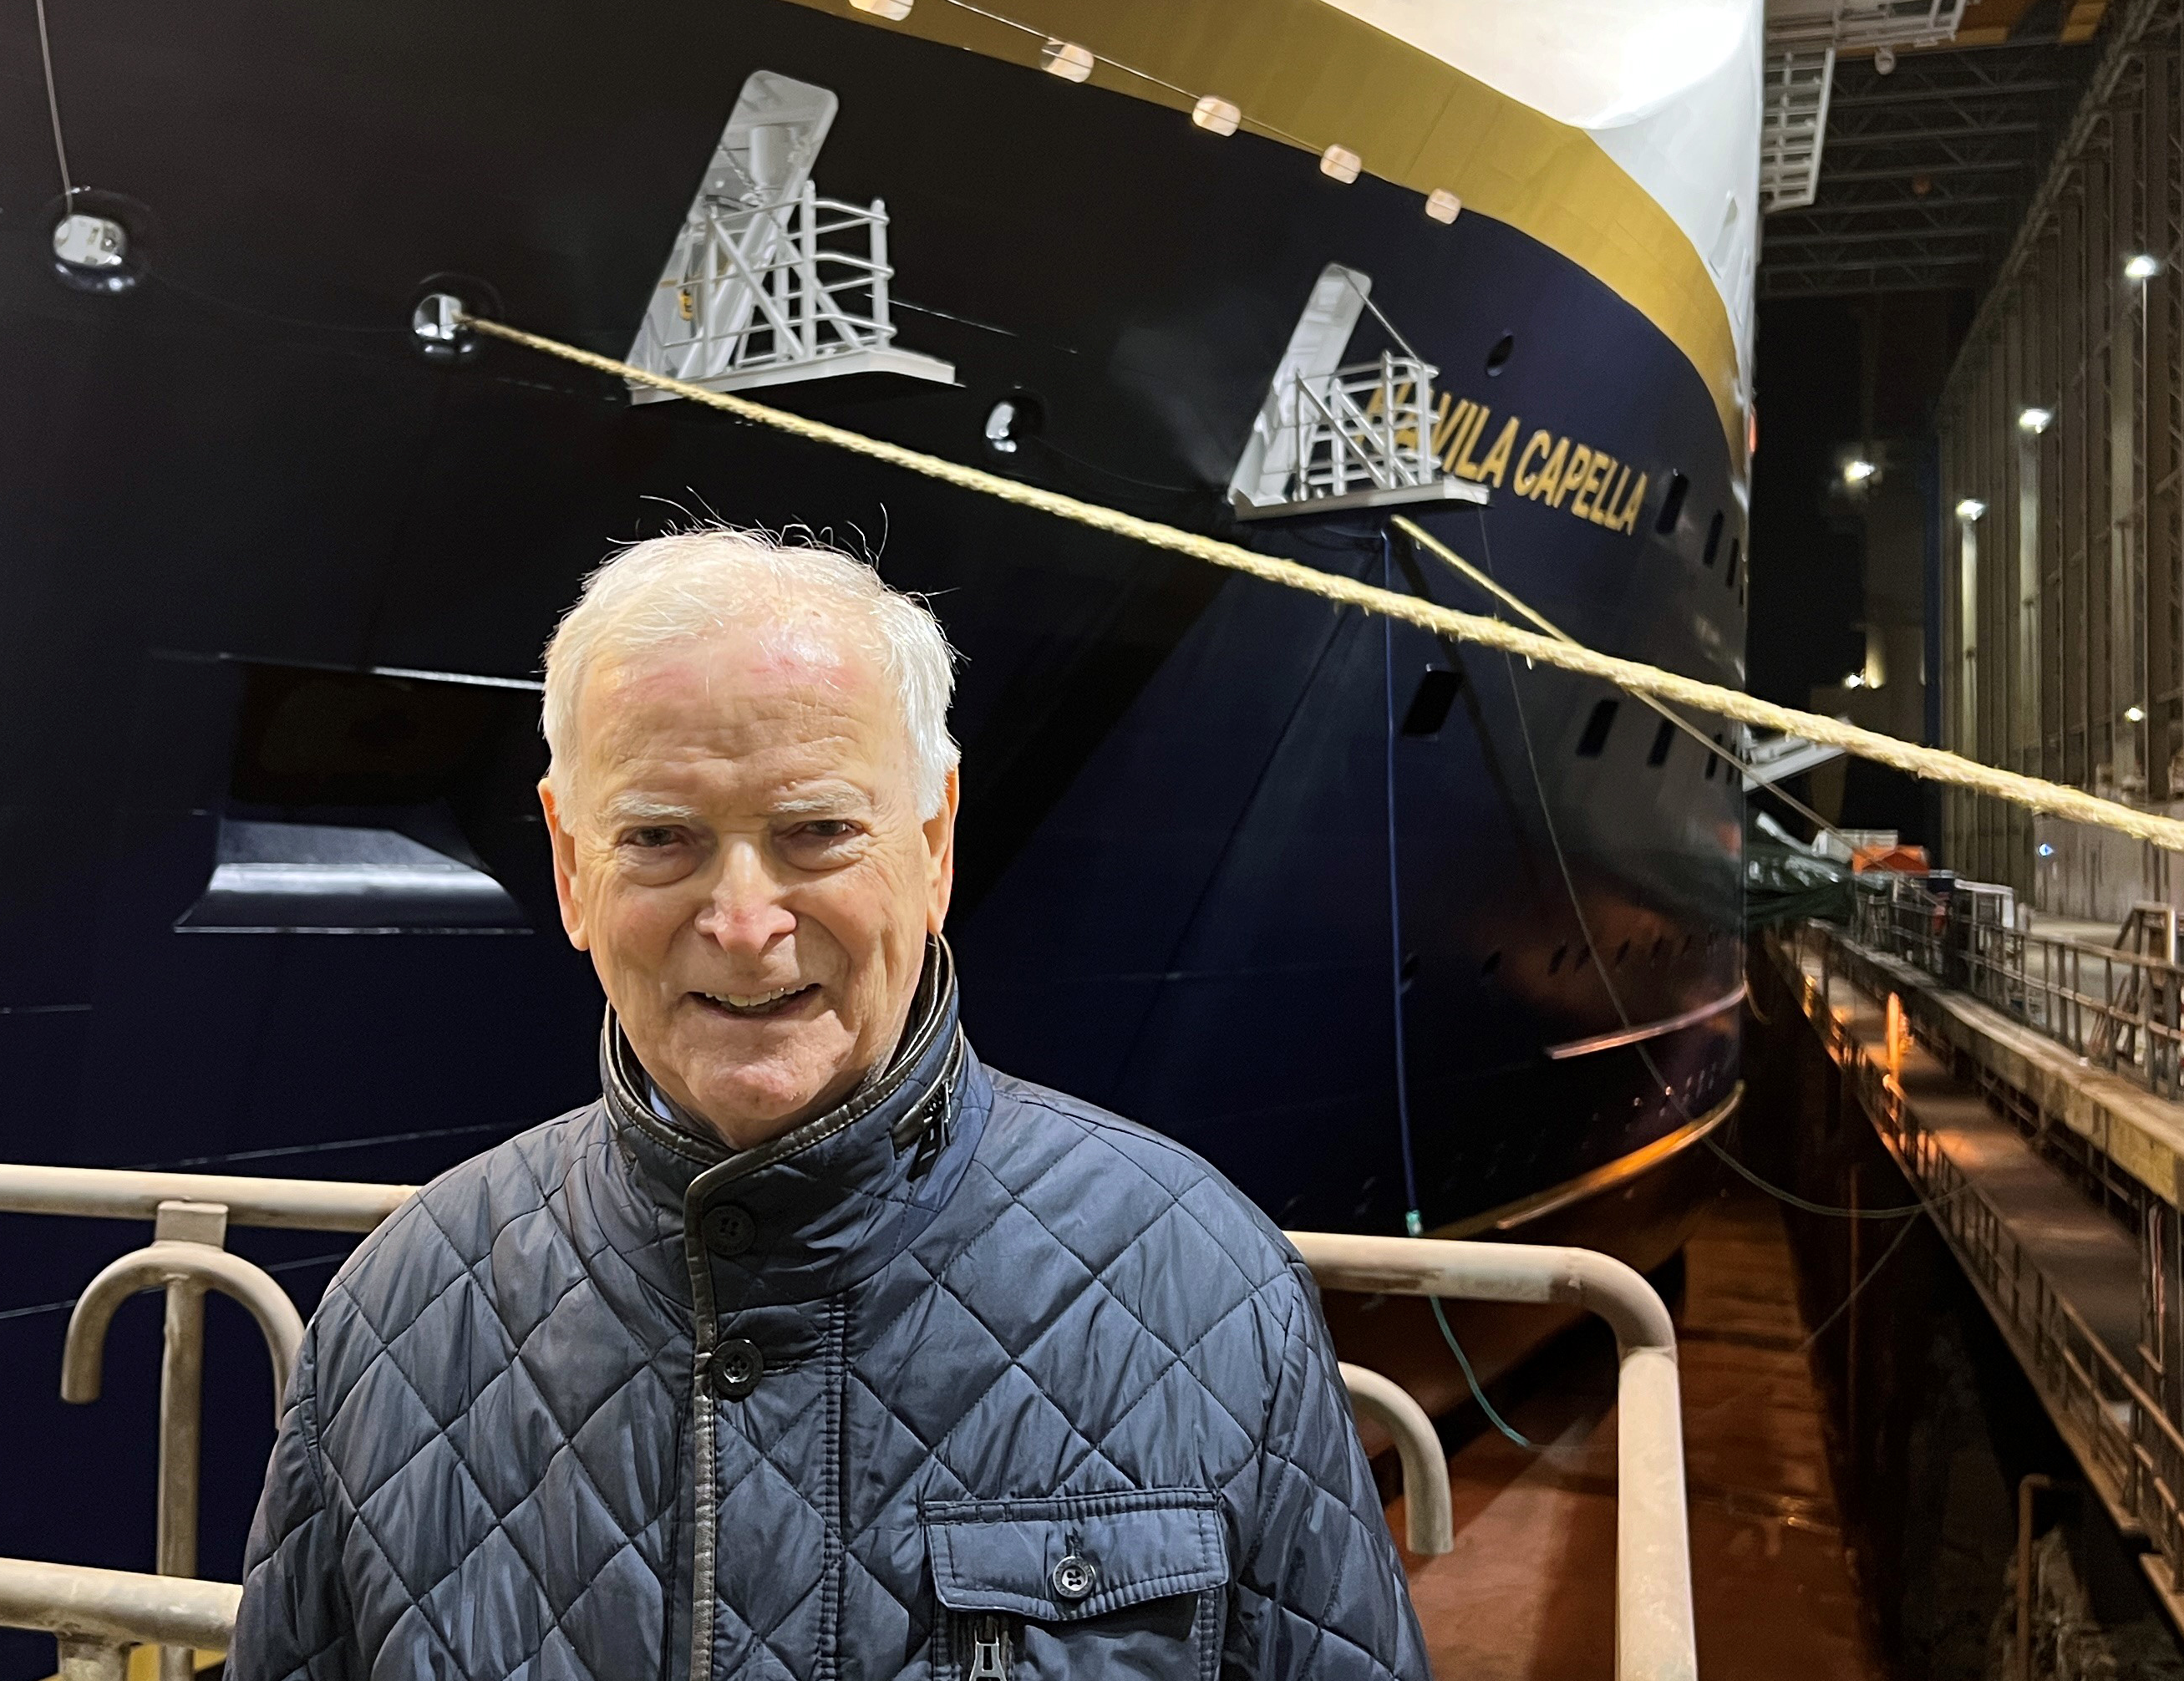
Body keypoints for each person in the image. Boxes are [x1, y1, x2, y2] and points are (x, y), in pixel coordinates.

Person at [231, 527, 1429, 1681]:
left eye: (817, 832)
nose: (745, 923)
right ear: (570, 865)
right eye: (660, 837)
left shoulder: (1212, 1290)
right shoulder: (389, 1324)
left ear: (934, 844)